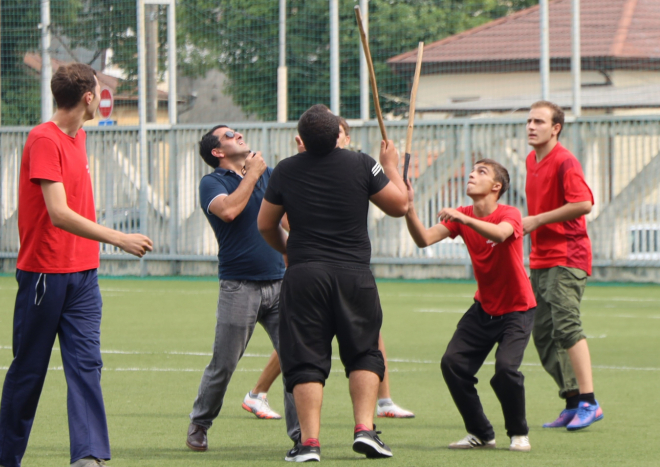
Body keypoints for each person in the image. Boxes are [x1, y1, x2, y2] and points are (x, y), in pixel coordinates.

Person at [0, 63, 153, 467]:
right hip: (45, 276)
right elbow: (58, 214)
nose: (103, 96)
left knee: (86, 367)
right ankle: (4, 459)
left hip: (83, 277)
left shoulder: (78, 138)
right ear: (88, 97)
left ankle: (89, 456)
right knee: (29, 373)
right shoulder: (43, 139)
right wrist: (119, 238)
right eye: (100, 90)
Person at [258, 104, 409, 462]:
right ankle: (365, 430)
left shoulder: (285, 169)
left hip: (305, 274)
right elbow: (401, 205)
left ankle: (309, 444)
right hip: (353, 273)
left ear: (302, 140)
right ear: (339, 135)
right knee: (364, 352)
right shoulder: (361, 163)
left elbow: (266, 224)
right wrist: (390, 165)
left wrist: (289, 251)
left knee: (306, 358)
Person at [403, 159, 536, 452]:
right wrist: (409, 208)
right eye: (472, 171)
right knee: (453, 364)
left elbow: (501, 234)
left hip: (518, 309)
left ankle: (518, 432)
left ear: (496, 186)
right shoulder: (462, 215)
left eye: (481, 172)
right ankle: (480, 433)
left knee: (505, 370)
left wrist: (464, 221)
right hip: (483, 309)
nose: (471, 175)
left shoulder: (509, 213)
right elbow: (424, 239)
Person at [186, 126, 300, 452]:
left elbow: (288, 218)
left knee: (295, 360)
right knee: (224, 364)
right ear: (217, 153)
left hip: (280, 283)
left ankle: (301, 436)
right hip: (239, 286)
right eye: (229, 135)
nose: (238, 135)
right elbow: (230, 210)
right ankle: (200, 422)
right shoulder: (213, 183)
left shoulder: (267, 175)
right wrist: (252, 175)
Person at [524, 100, 603, 431]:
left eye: (539, 121)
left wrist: (538, 219)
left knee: (567, 326)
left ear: (555, 128)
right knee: (542, 333)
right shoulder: (531, 159)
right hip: (540, 257)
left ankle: (590, 401)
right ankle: (572, 401)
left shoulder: (565, 161)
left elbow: (584, 202)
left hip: (567, 256)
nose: (531, 126)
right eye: (528, 120)